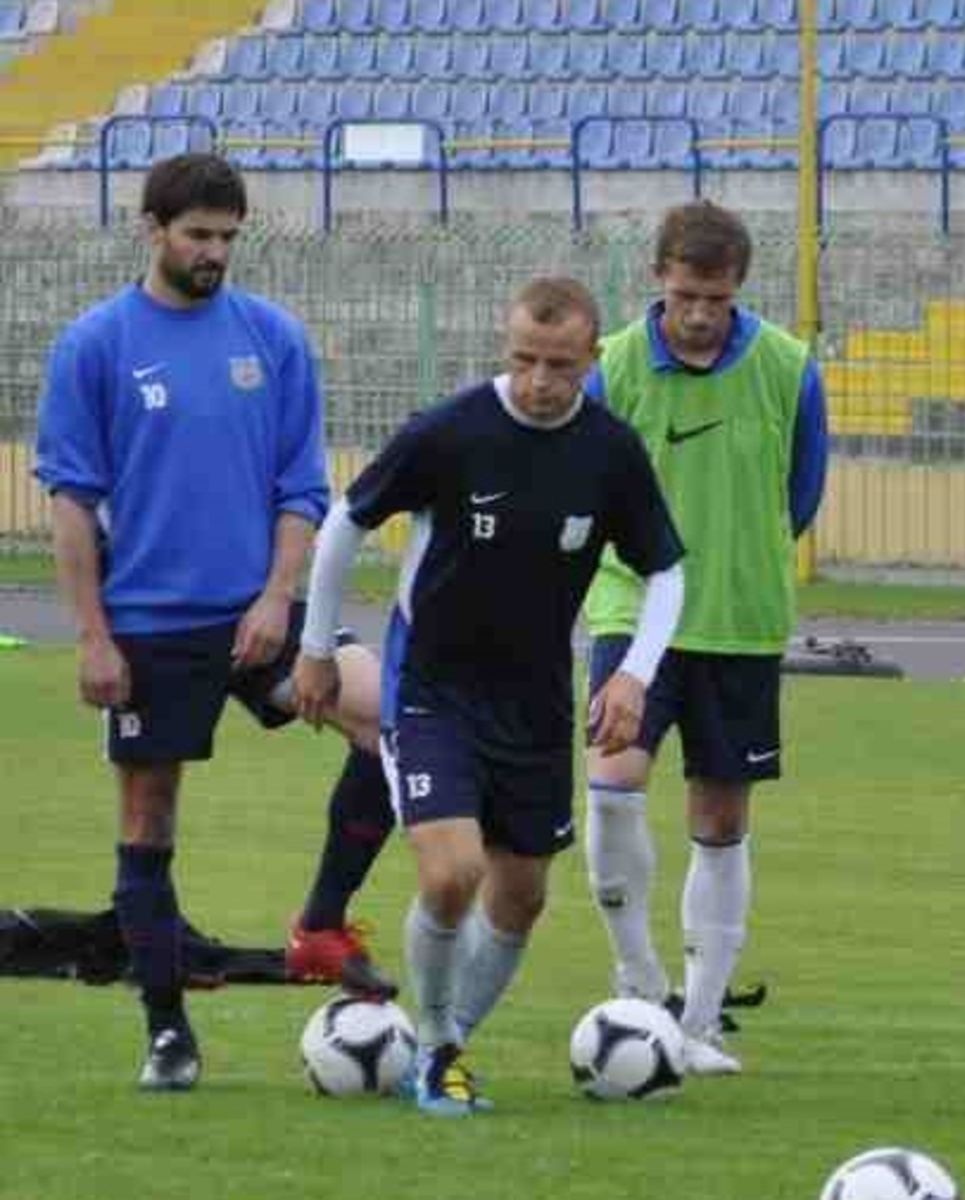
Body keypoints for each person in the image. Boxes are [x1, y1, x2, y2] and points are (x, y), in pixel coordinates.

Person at [33, 152, 387, 1090]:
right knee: (149, 819)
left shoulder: (272, 339)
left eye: (228, 237)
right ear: (151, 230)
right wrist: (94, 636)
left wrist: (278, 596)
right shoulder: (95, 345)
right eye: (197, 235)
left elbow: (302, 490)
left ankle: (318, 925)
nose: (214, 253)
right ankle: (166, 1030)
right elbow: (72, 504)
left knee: (388, 718)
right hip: (148, 626)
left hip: (258, 613)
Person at [291, 277, 686, 1117]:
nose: (541, 381)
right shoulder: (449, 431)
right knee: (452, 874)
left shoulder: (610, 451)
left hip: (537, 703)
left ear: (590, 359)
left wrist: (634, 671)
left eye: (561, 366)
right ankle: (433, 1047)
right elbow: (345, 524)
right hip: (432, 687)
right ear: (505, 352)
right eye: (525, 361)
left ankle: (447, 1041)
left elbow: (666, 571)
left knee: (522, 895)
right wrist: (317, 649)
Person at [578, 200, 828, 1076]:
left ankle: (704, 1020)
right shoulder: (609, 367)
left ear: (737, 289)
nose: (697, 314)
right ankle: (639, 982)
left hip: (742, 620)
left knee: (720, 815)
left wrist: (742, 554)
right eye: (685, 294)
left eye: (714, 299)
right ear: (658, 279)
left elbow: (801, 493)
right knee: (612, 784)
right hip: (629, 614)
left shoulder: (788, 368)